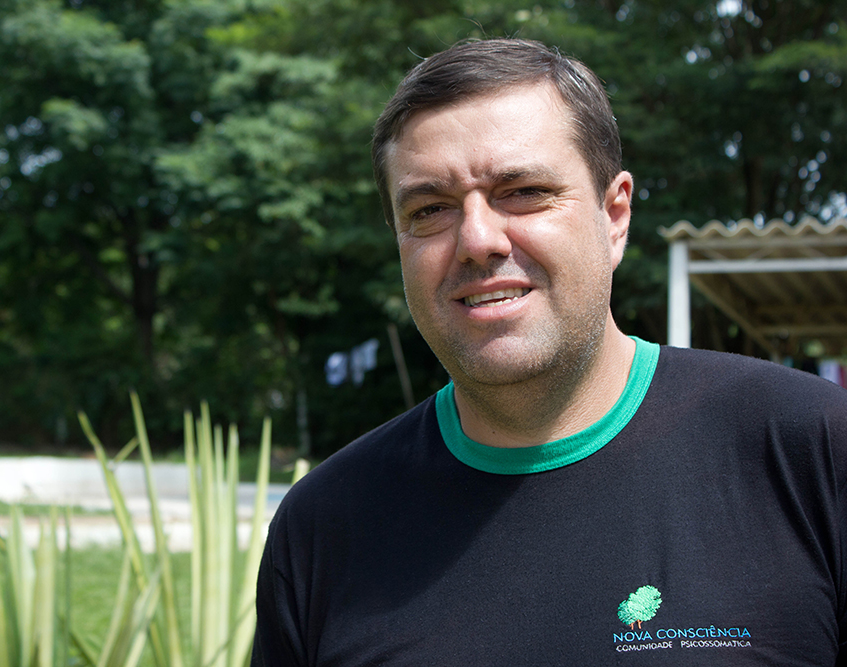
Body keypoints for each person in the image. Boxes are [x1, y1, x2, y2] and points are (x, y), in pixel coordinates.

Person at [251, 38, 847, 665]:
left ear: (614, 216)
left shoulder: (807, 450)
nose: (477, 240)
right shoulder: (325, 526)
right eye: (430, 210)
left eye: (525, 191)